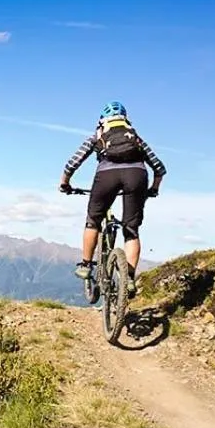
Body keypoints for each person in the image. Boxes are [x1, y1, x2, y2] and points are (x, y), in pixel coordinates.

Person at [58, 101, 166, 295]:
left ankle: (85, 265)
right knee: (131, 230)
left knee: (93, 221)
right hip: (137, 176)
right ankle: (130, 280)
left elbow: (72, 163)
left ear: (103, 119)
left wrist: (65, 184)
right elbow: (159, 168)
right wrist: (153, 189)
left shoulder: (98, 135)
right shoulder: (136, 138)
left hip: (106, 177)